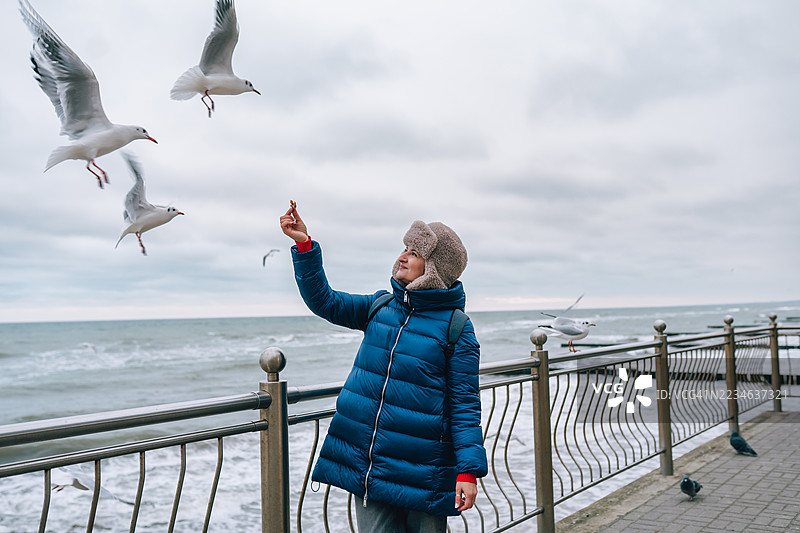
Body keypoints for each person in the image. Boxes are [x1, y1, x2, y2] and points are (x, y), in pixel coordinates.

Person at [280, 205, 488, 532]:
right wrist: (305, 246)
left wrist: (468, 472)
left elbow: (464, 405)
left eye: (415, 252)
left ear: (435, 268)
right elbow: (325, 301)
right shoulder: (380, 307)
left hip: (426, 472)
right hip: (371, 466)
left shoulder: (456, 328)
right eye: (404, 248)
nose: (402, 257)